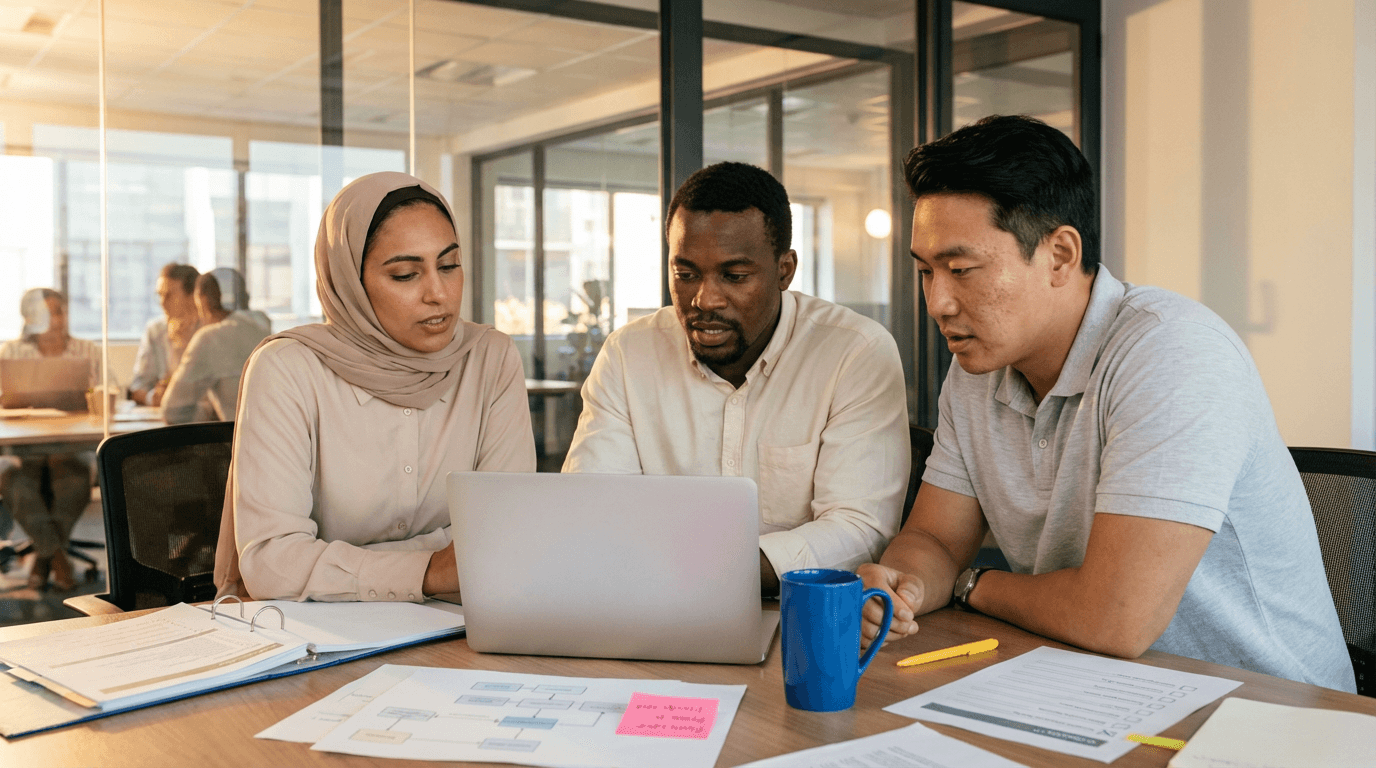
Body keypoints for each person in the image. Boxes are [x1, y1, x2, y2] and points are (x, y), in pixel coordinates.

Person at [859, 114, 1356, 692]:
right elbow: (936, 540)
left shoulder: (1173, 352)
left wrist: (971, 584)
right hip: (1103, 686)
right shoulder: (977, 369)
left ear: (1060, 255)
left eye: (961, 270)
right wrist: (904, 585)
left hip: (1268, 708)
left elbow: (1116, 619)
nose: (938, 302)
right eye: (926, 272)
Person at [563, 162, 909, 595]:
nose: (705, 299)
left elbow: (860, 529)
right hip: (649, 605)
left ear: (784, 270)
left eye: (735, 276)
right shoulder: (628, 354)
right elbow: (594, 509)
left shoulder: (854, 352)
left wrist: (704, 570)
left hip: (796, 614)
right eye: (685, 274)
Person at [212, 172, 536, 603]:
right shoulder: (287, 369)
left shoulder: (489, 358)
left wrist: (336, 565)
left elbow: (507, 535)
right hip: (317, 632)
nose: (438, 293)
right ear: (351, 282)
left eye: (448, 266)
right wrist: (432, 567)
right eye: (405, 274)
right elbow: (273, 564)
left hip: (457, 622)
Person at [0, 289, 99, 591]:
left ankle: (44, 557)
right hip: (24, 449)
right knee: (11, 477)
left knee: (76, 475)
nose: (56, 321)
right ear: (30, 319)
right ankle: (56, 556)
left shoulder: (88, 350)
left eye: (60, 312)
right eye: (47, 314)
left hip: (73, 446)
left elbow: (110, 394)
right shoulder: (11, 353)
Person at [161, 268, 270, 424]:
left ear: (203, 300)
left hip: (240, 437)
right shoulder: (262, 323)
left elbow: (173, 412)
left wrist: (208, 413)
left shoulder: (210, 338)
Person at [130, 262, 201, 406]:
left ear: (192, 296)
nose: (162, 303)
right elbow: (137, 387)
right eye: (160, 295)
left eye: (169, 295)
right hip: (166, 413)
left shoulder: (210, 331)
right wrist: (153, 397)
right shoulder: (155, 331)